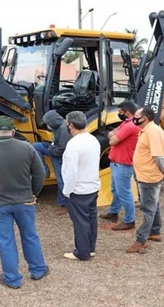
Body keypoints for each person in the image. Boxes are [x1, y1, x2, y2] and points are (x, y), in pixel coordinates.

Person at [0, 116, 49, 289]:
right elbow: (40, 173)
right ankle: (38, 269)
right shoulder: (27, 148)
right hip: (24, 202)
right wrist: (33, 193)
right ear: (13, 132)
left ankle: (12, 278)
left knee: (5, 241)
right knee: (30, 236)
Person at [126, 106, 164, 254]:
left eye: (136, 115)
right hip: (145, 174)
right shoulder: (147, 130)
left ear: (144, 118)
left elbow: (157, 155)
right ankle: (155, 231)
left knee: (148, 208)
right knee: (154, 203)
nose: (134, 117)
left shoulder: (152, 131)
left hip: (149, 176)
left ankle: (141, 240)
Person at [61, 111, 101, 261]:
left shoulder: (73, 144)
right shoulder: (93, 139)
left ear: (70, 125)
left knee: (80, 222)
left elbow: (71, 171)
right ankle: (90, 248)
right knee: (91, 219)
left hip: (78, 189)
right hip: (92, 186)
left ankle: (82, 252)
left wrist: (67, 191)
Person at [100, 101, 141, 230]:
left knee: (124, 192)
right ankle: (113, 212)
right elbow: (113, 133)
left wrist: (113, 135)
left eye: (120, 112)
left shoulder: (130, 126)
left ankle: (129, 220)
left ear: (127, 112)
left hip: (123, 163)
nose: (119, 114)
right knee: (116, 190)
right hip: (117, 163)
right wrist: (113, 134)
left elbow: (112, 140)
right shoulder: (126, 123)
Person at [32, 110, 72, 215]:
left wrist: (51, 150)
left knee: (61, 180)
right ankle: (44, 169)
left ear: (52, 121)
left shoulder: (64, 129)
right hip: (54, 148)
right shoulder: (58, 126)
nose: (47, 125)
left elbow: (62, 148)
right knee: (36, 146)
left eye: (47, 123)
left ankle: (64, 204)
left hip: (59, 155)